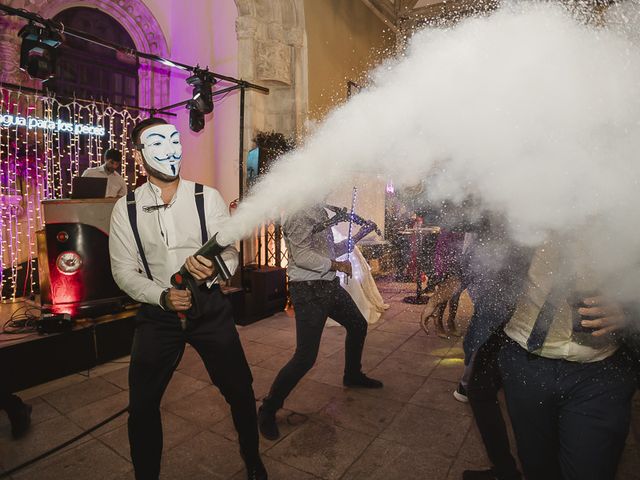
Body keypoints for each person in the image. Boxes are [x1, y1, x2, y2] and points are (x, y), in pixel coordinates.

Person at [109, 117, 266, 480]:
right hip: (158, 314)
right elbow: (123, 271)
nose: (170, 150)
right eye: (158, 144)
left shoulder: (205, 197)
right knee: (142, 406)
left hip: (209, 308)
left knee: (240, 389)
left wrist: (214, 270)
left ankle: (253, 458)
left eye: (174, 141)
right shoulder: (126, 208)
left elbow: (228, 252)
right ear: (140, 155)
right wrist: (162, 297)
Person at [497, 235, 638, 480]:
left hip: (602, 372)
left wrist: (629, 312)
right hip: (524, 363)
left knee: (591, 470)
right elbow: (469, 219)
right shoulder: (527, 204)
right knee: (537, 466)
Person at [257, 204, 383, 440]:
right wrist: (337, 266)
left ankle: (352, 375)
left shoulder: (319, 211)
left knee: (358, 324)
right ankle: (268, 409)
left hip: (329, 287)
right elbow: (303, 256)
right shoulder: (297, 212)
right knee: (305, 357)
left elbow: (330, 251)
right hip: (308, 290)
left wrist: (359, 235)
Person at [423, 222, 531, 480]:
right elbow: (466, 268)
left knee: (529, 412)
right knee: (480, 391)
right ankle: (504, 470)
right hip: (496, 328)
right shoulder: (491, 223)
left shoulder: (531, 225)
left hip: (527, 336)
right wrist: (435, 298)